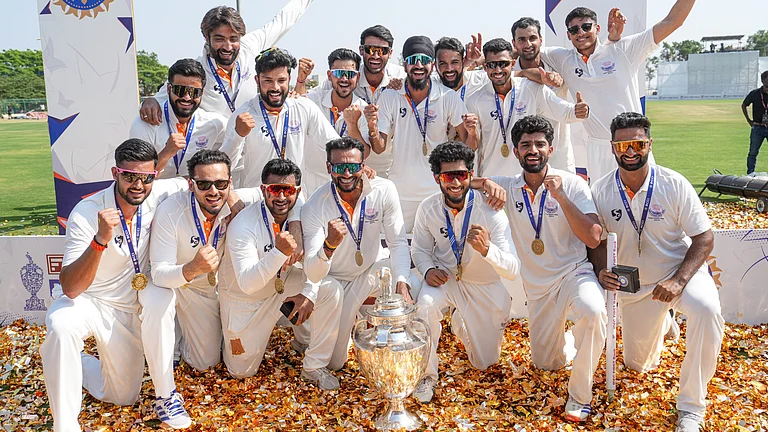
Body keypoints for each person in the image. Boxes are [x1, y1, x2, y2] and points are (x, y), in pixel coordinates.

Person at [39, 139, 194, 431]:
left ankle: (76, 363)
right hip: (86, 300)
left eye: (146, 177)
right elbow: (70, 287)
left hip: (125, 308)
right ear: (115, 173)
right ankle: (65, 425)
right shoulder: (87, 212)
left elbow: (199, 182)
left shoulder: (159, 193)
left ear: (155, 175)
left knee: (123, 396)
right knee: (61, 327)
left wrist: (235, 200)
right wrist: (100, 240)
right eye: (129, 176)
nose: (138, 185)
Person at [589, 112, 724, 432]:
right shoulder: (601, 189)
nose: (630, 151)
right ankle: (665, 321)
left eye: (637, 144)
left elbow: (704, 238)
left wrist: (678, 280)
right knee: (638, 365)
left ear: (649, 144)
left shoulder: (673, 183)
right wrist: (601, 269)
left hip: (680, 274)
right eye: (622, 145)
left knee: (707, 310)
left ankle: (691, 407)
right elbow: (595, 240)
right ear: (612, 147)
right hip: (635, 287)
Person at [473, 115, 606, 421]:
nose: (533, 150)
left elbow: (593, 236)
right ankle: (569, 342)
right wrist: (485, 182)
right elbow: (460, 182)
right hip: (537, 288)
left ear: (551, 149)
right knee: (547, 364)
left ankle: (580, 396)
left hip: (573, 274)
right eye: (526, 145)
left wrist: (560, 196)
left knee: (594, 311)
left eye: (539, 144)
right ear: (516, 151)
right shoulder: (507, 186)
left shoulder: (571, 183)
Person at [217, 158, 343, 389]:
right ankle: (225, 331)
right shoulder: (243, 224)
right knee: (241, 372)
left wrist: (310, 292)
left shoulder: (303, 215)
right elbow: (247, 284)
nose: (282, 197)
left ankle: (313, 364)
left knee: (330, 290)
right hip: (245, 301)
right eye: (275, 190)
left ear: (298, 191)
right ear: (264, 190)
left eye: (289, 191)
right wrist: (278, 252)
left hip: (282, 285)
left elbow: (316, 265)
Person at [411, 141, 520, 403]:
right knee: (425, 305)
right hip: (446, 280)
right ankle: (427, 375)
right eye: (448, 176)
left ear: (471, 175)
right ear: (437, 178)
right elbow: (420, 250)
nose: (456, 183)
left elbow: (513, 269)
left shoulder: (491, 212)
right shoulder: (428, 208)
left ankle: (460, 322)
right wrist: (428, 270)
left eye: (461, 175)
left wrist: (487, 250)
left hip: (483, 285)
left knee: (485, 363)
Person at [539, 1, 696, 182]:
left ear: (597, 28)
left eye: (586, 27)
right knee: (602, 198)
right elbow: (527, 50)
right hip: (598, 148)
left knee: (645, 194)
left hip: (634, 144)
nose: (580, 33)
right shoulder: (563, 58)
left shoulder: (623, 49)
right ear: (568, 35)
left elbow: (673, 21)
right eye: (574, 30)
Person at [301, 136, 413, 371]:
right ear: (329, 167)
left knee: (397, 273)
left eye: (353, 167)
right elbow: (312, 272)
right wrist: (329, 245)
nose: (346, 174)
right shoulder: (314, 205)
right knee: (335, 363)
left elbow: (398, 242)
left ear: (363, 166)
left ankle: (395, 349)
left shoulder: (384, 189)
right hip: (335, 282)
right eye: (339, 167)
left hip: (369, 272)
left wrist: (403, 283)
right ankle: (334, 329)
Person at [146, 150, 257, 382]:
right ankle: (173, 338)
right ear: (191, 184)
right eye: (204, 184)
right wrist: (193, 268)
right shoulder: (171, 211)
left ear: (230, 183)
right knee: (204, 363)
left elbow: (291, 194)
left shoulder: (238, 201)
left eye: (221, 183)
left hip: (213, 289)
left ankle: (191, 333)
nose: (213, 191)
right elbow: (158, 274)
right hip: (179, 287)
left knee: (212, 360)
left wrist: (296, 227)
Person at [138, 1, 315, 123]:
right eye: (219, 39)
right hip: (216, 156)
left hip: (251, 150)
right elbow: (161, 96)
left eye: (233, 38)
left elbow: (283, 20)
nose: (227, 46)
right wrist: (151, 101)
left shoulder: (249, 46)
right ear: (206, 37)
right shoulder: (196, 71)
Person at [373, 35, 473, 232]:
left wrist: (472, 131)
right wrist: (371, 127)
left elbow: (470, 145)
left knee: (441, 247)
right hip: (400, 192)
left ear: (432, 65)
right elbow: (379, 147)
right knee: (397, 247)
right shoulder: (390, 95)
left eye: (424, 60)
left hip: (437, 190)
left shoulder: (448, 96)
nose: (418, 65)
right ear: (404, 65)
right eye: (412, 60)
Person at [219, 47, 339, 194]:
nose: (275, 87)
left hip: (294, 198)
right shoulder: (242, 115)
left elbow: (334, 144)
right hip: (258, 199)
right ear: (257, 80)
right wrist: (238, 135)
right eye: (268, 81)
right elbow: (223, 167)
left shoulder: (304, 107)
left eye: (281, 80)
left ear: (289, 79)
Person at [465, 38, 589, 178]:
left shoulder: (530, 88)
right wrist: (471, 132)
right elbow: (472, 145)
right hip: (491, 179)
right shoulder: (474, 99)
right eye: (492, 65)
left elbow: (564, 112)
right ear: (485, 67)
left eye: (503, 64)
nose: (498, 70)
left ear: (512, 64)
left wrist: (578, 111)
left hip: (525, 179)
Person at [296, 25, 406, 177]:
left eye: (382, 51)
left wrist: (404, 86)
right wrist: (301, 80)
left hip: (385, 164)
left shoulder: (400, 76)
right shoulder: (344, 74)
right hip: (345, 169)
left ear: (390, 53)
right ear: (361, 50)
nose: (375, 55)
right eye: (370, 49)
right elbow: (302, 103)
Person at [130, 59, 228, 178]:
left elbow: (231, 158)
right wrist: (166, 153)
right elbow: (137, 178)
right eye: (180, 90)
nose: (187, 97)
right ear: (168, 89)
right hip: (155, 189)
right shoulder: (146, 123)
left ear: (202, 93)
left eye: (194, 92)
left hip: (194, 189)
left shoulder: (215, 124)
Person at [304, 48, 380, 156]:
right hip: (312, 167)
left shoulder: (363, 109)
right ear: (329, 75)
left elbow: (364, 154)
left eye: (350, 74)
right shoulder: (311, 102)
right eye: (338, 73)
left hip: (345, 168)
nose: (344, 79)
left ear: (358, 77)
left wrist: (352, 124)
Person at [742, 70, 768, 174]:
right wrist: (749, 120)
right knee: (753, 152)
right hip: (758, 127)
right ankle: (750, 173)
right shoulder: (755, 93)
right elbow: (744, 105)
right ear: (763, 80)